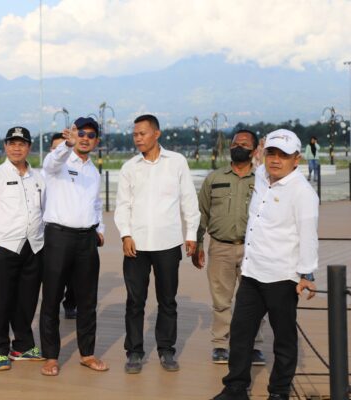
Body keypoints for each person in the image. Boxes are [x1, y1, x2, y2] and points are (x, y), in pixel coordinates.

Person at [213, 129, 319, 400]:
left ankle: (279, 392)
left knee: (284, 339)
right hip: (251, 273)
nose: (276, 160)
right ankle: (236, 387)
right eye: (271, 153)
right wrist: (259, 152)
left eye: (283, 155)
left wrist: (306, 273)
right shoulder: (261, 176)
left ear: (296, 159)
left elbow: (308, 235)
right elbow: (257, 163)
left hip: (282, 277)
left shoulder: (302, 193)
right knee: (240, 332)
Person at [114, 114, 200, 374]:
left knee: (167, 300)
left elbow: (188, 200)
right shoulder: (130, 167)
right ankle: (135, 351)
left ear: (157, 134)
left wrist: (192, 234)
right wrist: (125, 234)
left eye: (142, 133)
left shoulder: (176, 162)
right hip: (136, 245)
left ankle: (166, 350)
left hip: (168, 242)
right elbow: (123, 205)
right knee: (135, 301)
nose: (137, 138)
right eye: (135, 134)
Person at [39, 117, 107, 376]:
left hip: (86, 240)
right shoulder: (60, 162)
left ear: (96, 141)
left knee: (88, 300)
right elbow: (49, 163)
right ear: (74, 135)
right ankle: (51, 356)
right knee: (52, 298)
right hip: (58, 237)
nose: (86, 138)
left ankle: (87, 354)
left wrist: (100, 230)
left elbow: (97, 205)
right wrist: (65, 145)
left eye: (91, 134)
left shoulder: (93, 171)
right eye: (81, 133)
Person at [0, 126, 46, 371]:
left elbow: (44, 208)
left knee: (27, 299)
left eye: (22, 143)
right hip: (4, 247)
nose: (17, 148)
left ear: (28, 147)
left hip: (33, 246)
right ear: (6, 146)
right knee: (1, 301)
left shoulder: (38, 178)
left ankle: (23, 346)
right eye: (12, 143)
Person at [193, 129, 266, 365]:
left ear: (254, 151)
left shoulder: (263, 182)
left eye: (244, 144)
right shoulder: (214, 179)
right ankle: (221, 344)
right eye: (235, 143)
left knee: (254, 300)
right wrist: (198, 244)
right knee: (221, 299)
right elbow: (201, 213)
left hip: (253, 250)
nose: (238, 146)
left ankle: (253, 345)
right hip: (220, 248)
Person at [48, 132, 77, 320]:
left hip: (73, 233)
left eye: (63, 147)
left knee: (73, 275)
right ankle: (51, 307)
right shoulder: (46, 172)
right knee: (53, 277)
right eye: (55, 148)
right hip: (50, 233)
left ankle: (70, 303)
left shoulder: (77, 171)